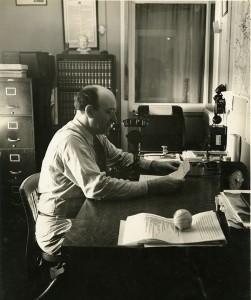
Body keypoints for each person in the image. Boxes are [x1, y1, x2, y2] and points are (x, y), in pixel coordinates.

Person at [36, 85, 184, 255]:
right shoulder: (71, 140)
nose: (114, 118)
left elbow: (119, 158)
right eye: (109, 112)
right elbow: (97, 187)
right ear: (90, 111)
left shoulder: (94, 133)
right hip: (61, 227)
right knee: (126, 248)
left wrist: (153, 165)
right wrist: (153, 186)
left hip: (82, 213)